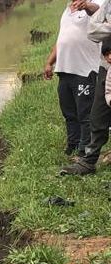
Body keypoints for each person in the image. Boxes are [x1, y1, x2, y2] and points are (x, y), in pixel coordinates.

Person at [60, 0, 111, 174]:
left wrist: (106, 26)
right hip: (105, 67)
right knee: (98, 115)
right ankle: (88, 161)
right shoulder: (107, 5)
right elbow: (93, 31)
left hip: (94, 67)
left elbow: (97, 24)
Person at [44, 0, 100, 157]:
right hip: (64, 71)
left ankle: (85, 150)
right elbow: (61, 40)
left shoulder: (93, 5)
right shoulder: (66, 11)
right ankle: (73, 144)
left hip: (84, 71)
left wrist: (87, 6)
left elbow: (96, 12)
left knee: (85, 113)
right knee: (69, 112)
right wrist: (49, 62)